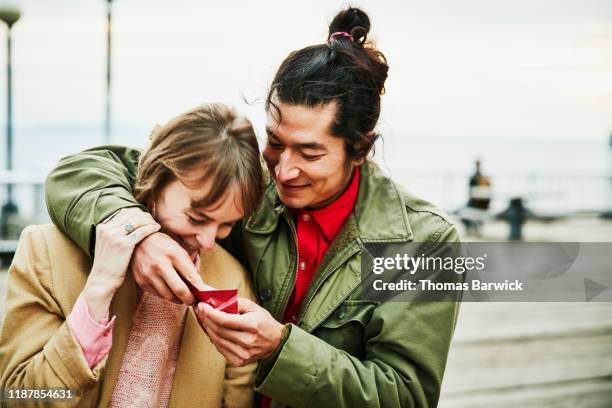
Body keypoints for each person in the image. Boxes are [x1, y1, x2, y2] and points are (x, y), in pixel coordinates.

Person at [43, 7, 461, 407]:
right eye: (276, 142)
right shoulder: (248, 184)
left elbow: (405, 396)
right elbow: (83, 170)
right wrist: (139, 236)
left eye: (310, 154)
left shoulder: (427, 242)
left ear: (360, 149)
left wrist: (282, 350)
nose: (283, 171)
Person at [0, 104, 265, 407]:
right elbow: (17, 397)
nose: (207, 242)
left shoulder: (234, 280)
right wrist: (98, 290)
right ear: (155, 178)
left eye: (226, 225)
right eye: (196, 217)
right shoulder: (44, 252)